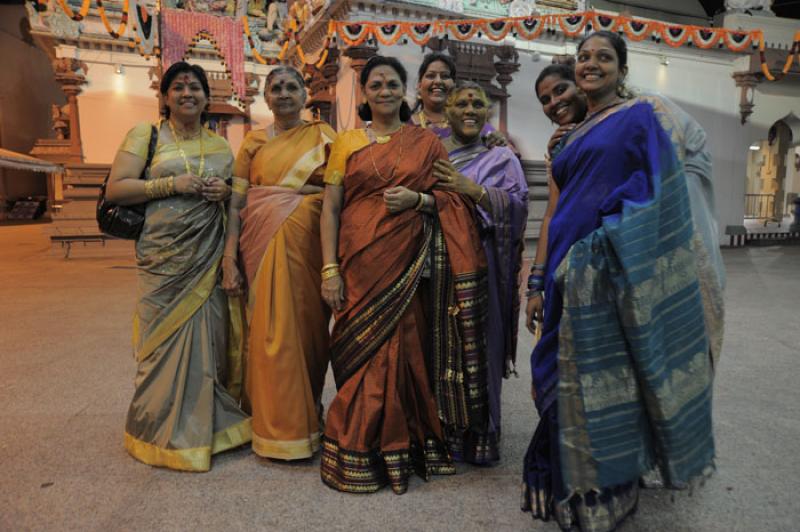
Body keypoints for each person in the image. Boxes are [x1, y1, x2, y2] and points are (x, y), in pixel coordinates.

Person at [521, 32, 724, 530]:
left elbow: (661, 189)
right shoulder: (569, 136)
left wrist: (600, 246)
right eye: (584, 57)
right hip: (564, 272)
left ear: (622, 68)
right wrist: (538, 278)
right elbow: (557, 209)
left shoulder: (640, 117)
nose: (591, 65)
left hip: (607, 269)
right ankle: (570, 481)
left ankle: (603, 493)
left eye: (603, 58)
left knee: (606, 380)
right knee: (554, 373)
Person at [318, 56, 489, 494]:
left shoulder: (426, 143)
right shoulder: (346, 142)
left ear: (404, 90)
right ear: (366, 92)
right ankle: (357, 441)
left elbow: (453, 201)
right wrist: (329, 268)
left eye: (392, 83)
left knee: (404, 345)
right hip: (356, 256)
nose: (385, 91)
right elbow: (331, 208)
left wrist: (417, 200)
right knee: (359, 345)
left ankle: (401, 444)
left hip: (407, 261)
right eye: (376, 84)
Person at [107, 61, 250, 472]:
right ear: (166, 96)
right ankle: (155, 429)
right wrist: (171, 184)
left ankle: (205, 428)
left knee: (208, 343)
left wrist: (224, 192)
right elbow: (117, 187)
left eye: (195, 88)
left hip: (207, 257)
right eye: (179, 87)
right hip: (163, 259)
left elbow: (236, 202)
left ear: (207, 97)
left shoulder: (221, 146)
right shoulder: (146, 134)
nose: (188, 93)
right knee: (161, 343)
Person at [221, 66, 336, 461]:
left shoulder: (325, 137)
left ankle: (309, 415)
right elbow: (238, 202)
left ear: (305, 94)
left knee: (307, 336)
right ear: (266, 98)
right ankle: (276, 429)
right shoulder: (252, 142)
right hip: (261, 246)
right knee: (271, 334)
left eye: (292, 87)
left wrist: (296, 193)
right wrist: (228, 257)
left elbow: (340, 196)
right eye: (276, 89)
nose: (284, 94)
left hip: (309, 250)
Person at [431, 81, 528, 463]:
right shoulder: (432, 153)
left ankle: (480, 436)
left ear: (487, 112)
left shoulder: (502, 158)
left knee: (480, 347)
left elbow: (517, 210)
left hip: (483, 267)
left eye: (478, 104)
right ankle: (443, 431)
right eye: (461, 103)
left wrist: (472, 190)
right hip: (437, 265)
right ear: (447, 110)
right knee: (439, 347)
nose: (470, 109)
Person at [411, 52, 508, 148]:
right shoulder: (405, 126)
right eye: (431, 76)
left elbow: (504, 156)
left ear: (454, 86)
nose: (438, 81)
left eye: (445, 76)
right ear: (419, 86)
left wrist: (498, 141)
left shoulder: (477, 126)